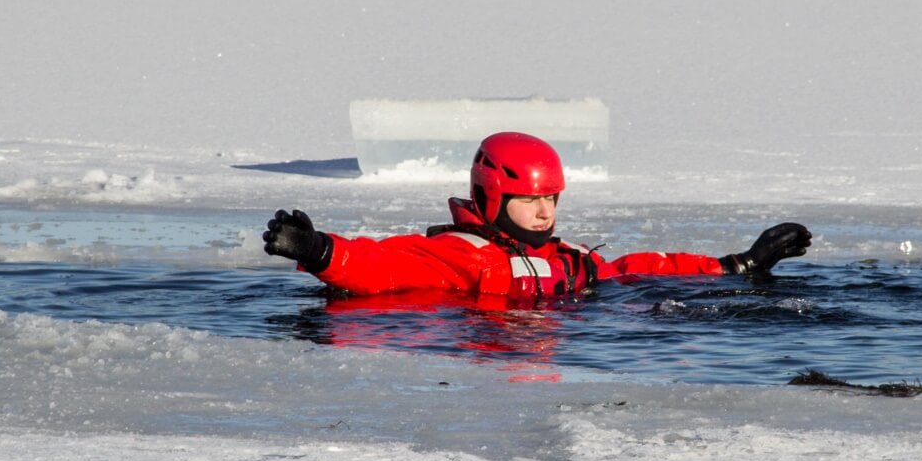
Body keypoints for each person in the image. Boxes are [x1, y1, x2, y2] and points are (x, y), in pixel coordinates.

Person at [262, 131, 811, 303]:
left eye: (551, 199)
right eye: (530, 200)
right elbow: (387, 266)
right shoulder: (463, 254)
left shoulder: (565, 259)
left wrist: (737, 264)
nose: (545, 211)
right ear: (492, 197)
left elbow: (636, 268)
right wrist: (320, 251)